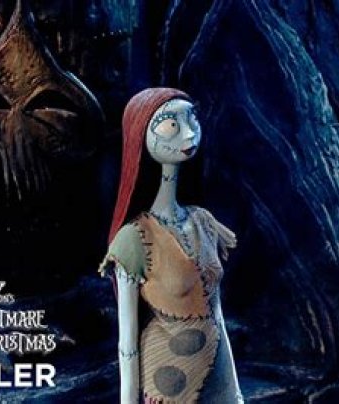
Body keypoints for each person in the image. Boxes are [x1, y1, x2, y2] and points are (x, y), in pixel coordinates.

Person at [100, 87, 243, 403]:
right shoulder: (133, 239)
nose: (188, 132)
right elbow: (127, 345)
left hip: (217, 383)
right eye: (171, 124)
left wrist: (234, 393)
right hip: (169, 385)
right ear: (141, 136)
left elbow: (217, 315)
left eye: (191, 118)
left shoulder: (203, 222)